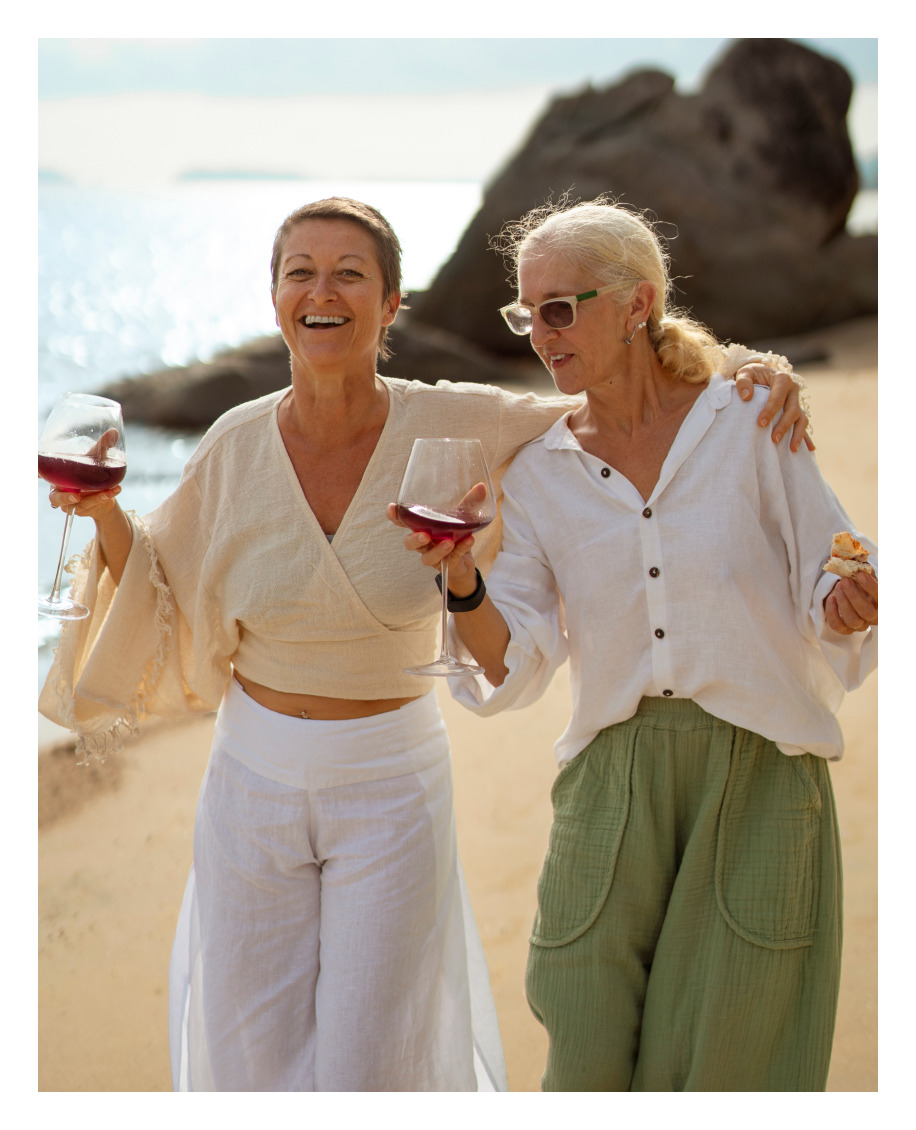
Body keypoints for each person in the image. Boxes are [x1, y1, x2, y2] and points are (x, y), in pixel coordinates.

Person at [39, 197, 805, 1092]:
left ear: (391, 302)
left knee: (376, 1063)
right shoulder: (232, 443)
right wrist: (100, 516)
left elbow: (614, 391)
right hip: (250, 779)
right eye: (301, 273)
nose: (322, 293)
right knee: (250, 1055)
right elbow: (158, 584)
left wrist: (751, 368)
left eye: (349, 274)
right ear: (275, 297)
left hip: (390, 783)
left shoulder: (460, 421)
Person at [391, 196, 877, 1091]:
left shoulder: (752, 419)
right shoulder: (539, 469)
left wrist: (847, 600)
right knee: (582, 1041)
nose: (539, 334)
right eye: (526, 312)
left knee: (733, 1060)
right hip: (611, 781)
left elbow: (830, 569)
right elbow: (517, 660)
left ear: (637, 304)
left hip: (762, 770)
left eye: (560, 309)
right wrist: (461, 579)